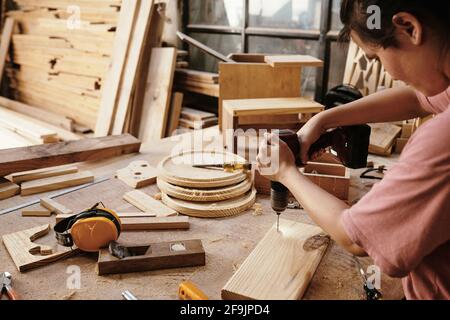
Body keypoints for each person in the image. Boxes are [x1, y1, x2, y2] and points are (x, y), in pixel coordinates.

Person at [256, 0, 449, 300]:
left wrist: (286, 172)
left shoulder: (441, 141)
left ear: (409, 28)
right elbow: (417, 98)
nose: (387, 71)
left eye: (376, 57)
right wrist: (324, 119)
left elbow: (356, 239)